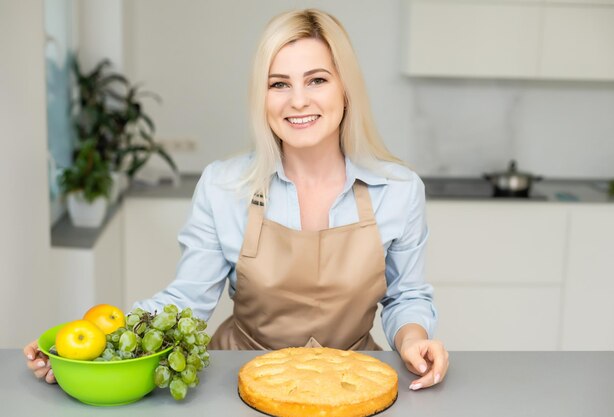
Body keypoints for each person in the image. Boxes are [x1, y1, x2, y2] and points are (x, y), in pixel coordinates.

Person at [25, 8, 449, 391]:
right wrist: (89, 348)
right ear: (261, 98)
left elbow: (406, 295)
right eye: (278, 84)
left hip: (352, 380)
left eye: (317, 79)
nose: (298, 100)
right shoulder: (223, 186)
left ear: (346, 89)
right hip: (239, 376)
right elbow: (187, 300)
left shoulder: (399, 189)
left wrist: (414, 339)